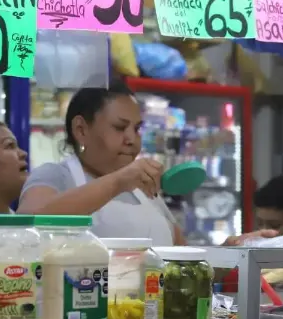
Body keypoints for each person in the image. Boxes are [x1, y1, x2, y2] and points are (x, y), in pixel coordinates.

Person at [18, 83, 270, 246]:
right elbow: (27, 225)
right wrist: (118, 182)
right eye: (119, 128)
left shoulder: (143, 188)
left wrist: (232, 250)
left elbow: (183, 263)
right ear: (81, 130)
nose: (131, 139)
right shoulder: (56, 176)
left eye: (137, 129)